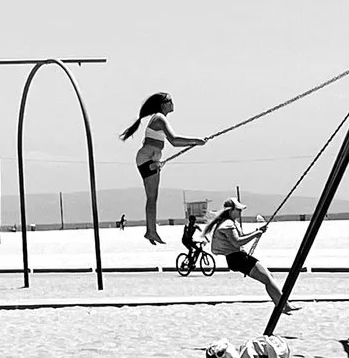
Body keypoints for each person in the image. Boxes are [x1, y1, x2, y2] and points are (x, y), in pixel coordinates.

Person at [119, 93, 207, 245]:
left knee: (152, 198)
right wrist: (196, 141)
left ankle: (150, 230)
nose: (173, 103)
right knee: (152, 198)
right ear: (163, 104)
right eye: (170, 101)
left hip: (148, 159)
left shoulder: (158, 118)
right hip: (147, 160)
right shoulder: (159, 118)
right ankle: (150, 231)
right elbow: (173, 140)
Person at [205, 199, 289, 311]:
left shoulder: (229, 222)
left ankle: (281, 305)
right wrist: (256, 234)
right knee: (268, 280)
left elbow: (241, 237)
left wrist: (257, 230)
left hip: (236, 258)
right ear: (231, 211)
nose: (240, 212)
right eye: (238, 210)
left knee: (269, 277)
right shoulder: (228, 224)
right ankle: (285, 305)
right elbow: (237, 242)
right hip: (238, 258)